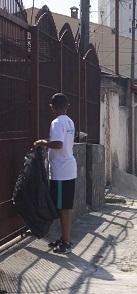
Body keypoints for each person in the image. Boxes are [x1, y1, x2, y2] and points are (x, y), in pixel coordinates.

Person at [33, 93, 77, 254]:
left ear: (53, 106)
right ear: (67, 106)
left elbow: (58, 144)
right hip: (67, 169)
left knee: (63, 208)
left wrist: (42, 142)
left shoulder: (57, 122)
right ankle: (63, 238)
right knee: (62, 207)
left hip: (61, 171)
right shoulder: (69, 121)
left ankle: (66, 241)